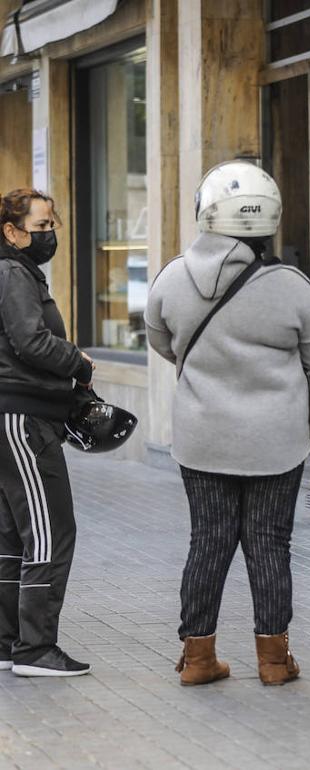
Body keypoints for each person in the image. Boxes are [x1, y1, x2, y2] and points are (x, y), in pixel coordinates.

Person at [145, 160, 310, 687]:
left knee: (208, 540)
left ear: (205, 213)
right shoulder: (291, 285)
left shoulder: (172, 277)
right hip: (276, 441)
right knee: (269, 542)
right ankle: (275, 661)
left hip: (202, 436)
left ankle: (199, 658)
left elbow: (162, 342)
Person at [0, 188, 95, 677]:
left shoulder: (12, 270)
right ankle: (35, 649)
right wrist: (76, 360)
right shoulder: (13, 272)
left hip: (11, 414)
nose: (50, 234)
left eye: (53, 223)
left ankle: (8, 642)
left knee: (12, 533)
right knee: (48, 530)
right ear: (11, 232)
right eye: (40, 227)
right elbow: (30, 340)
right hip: (22, 417)